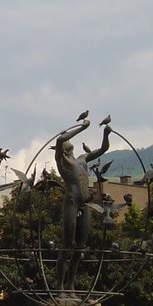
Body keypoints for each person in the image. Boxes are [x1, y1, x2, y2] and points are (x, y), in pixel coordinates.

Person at [54, 118, 112, 291]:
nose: (67, 141)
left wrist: (105, 133)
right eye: (66, 141)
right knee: (67, 246)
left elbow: (103, 149)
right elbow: (59, 140)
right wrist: (82, 127)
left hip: (84, 205)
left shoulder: (82, 159)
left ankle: (70, 284)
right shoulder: (62, 161)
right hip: (71, 204)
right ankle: (59, 285)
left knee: (80, 248)